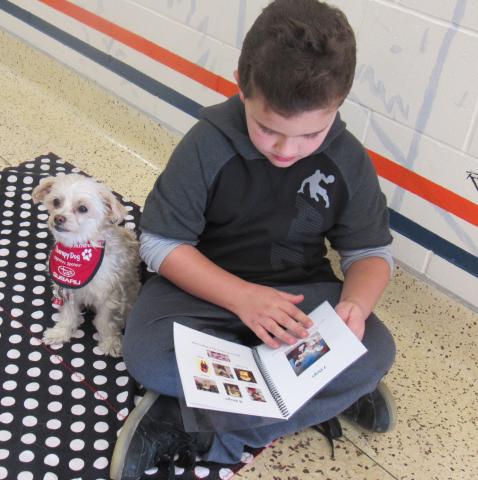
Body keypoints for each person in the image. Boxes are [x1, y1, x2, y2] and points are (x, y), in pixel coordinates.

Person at [109, 1, 397, 479]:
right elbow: (160, 243)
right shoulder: (207, 143)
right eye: (269, 129)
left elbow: (369, 252)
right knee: (148, 357)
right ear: (243, 86)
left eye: (310, 135)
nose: (287, 149)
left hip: (299, 292)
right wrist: (242, 298)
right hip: (201, 289)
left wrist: (356, 309)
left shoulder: (348, 158)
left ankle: (193, 424)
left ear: (339, 105)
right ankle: (320, 392)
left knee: (379, 350)